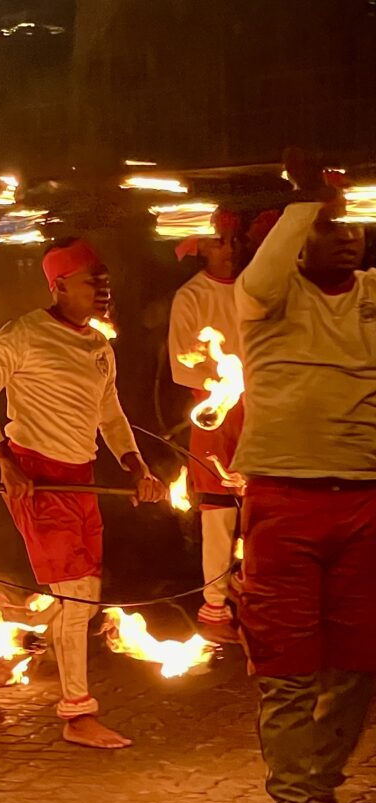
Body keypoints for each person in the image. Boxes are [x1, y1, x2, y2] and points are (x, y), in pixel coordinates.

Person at [0, 237, 166, 749]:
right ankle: (77, 714)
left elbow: (110, 417)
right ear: (59, 285)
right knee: (76, 596)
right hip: (37, 478)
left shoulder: (98, 347)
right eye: (94, 280)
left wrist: (137, 466)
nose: (103, 289)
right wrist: (6, 463)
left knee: (81, 601)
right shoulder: (21, 336)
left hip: (80, 479)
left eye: (106, 280)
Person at [233, 198, 376, 803]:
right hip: (282, 503)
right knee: (286, 671)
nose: (346, 237)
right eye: (329, 227)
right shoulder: (267, 302)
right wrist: (303, 201)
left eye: (351, 225)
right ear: (294, 243)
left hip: (366, 502)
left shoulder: (372, 299)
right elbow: (257, 280)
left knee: (358, 667)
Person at [168, 211, 243, 631]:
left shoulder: (255, 288)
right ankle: (215, 604)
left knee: (262, 508)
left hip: (260, 411)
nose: (228, 249)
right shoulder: (191, 297)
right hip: (214, 412)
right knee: (217, 511)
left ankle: (256, 598)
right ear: (201, 248)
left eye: (233, 240)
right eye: (219, 241)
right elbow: (183, 368)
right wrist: (226, 382)